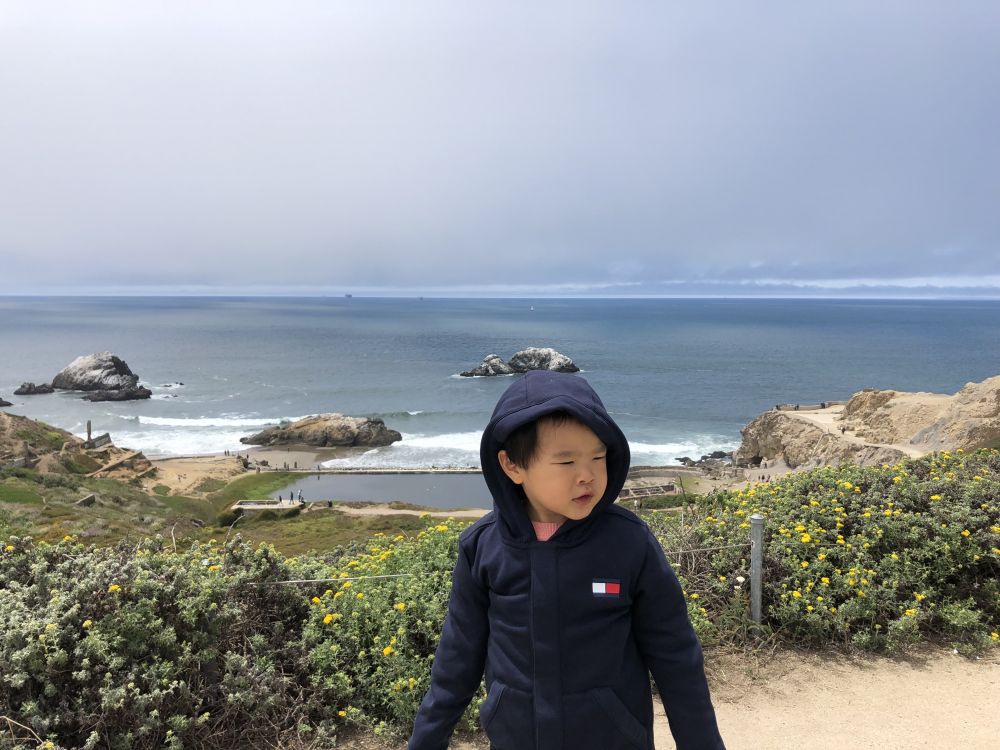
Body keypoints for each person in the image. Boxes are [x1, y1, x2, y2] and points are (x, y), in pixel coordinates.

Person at [408, 370, 724, 750]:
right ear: (512, 466)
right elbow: (456, 661)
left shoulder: (629, 542)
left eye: (598, 457)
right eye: (566, 462)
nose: (587, 475)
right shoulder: (482, 547)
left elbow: (676, 657)